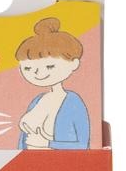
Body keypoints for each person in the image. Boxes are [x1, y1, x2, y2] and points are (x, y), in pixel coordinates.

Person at [15, 17, 90, 150]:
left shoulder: (73, 102)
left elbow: (83, 145)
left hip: (61, 161)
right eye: (28, 68)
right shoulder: (38, 100)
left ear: (74, 63)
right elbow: (22, 141)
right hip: (28, 160)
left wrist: (48, 144)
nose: (38, 73)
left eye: (49, 66)